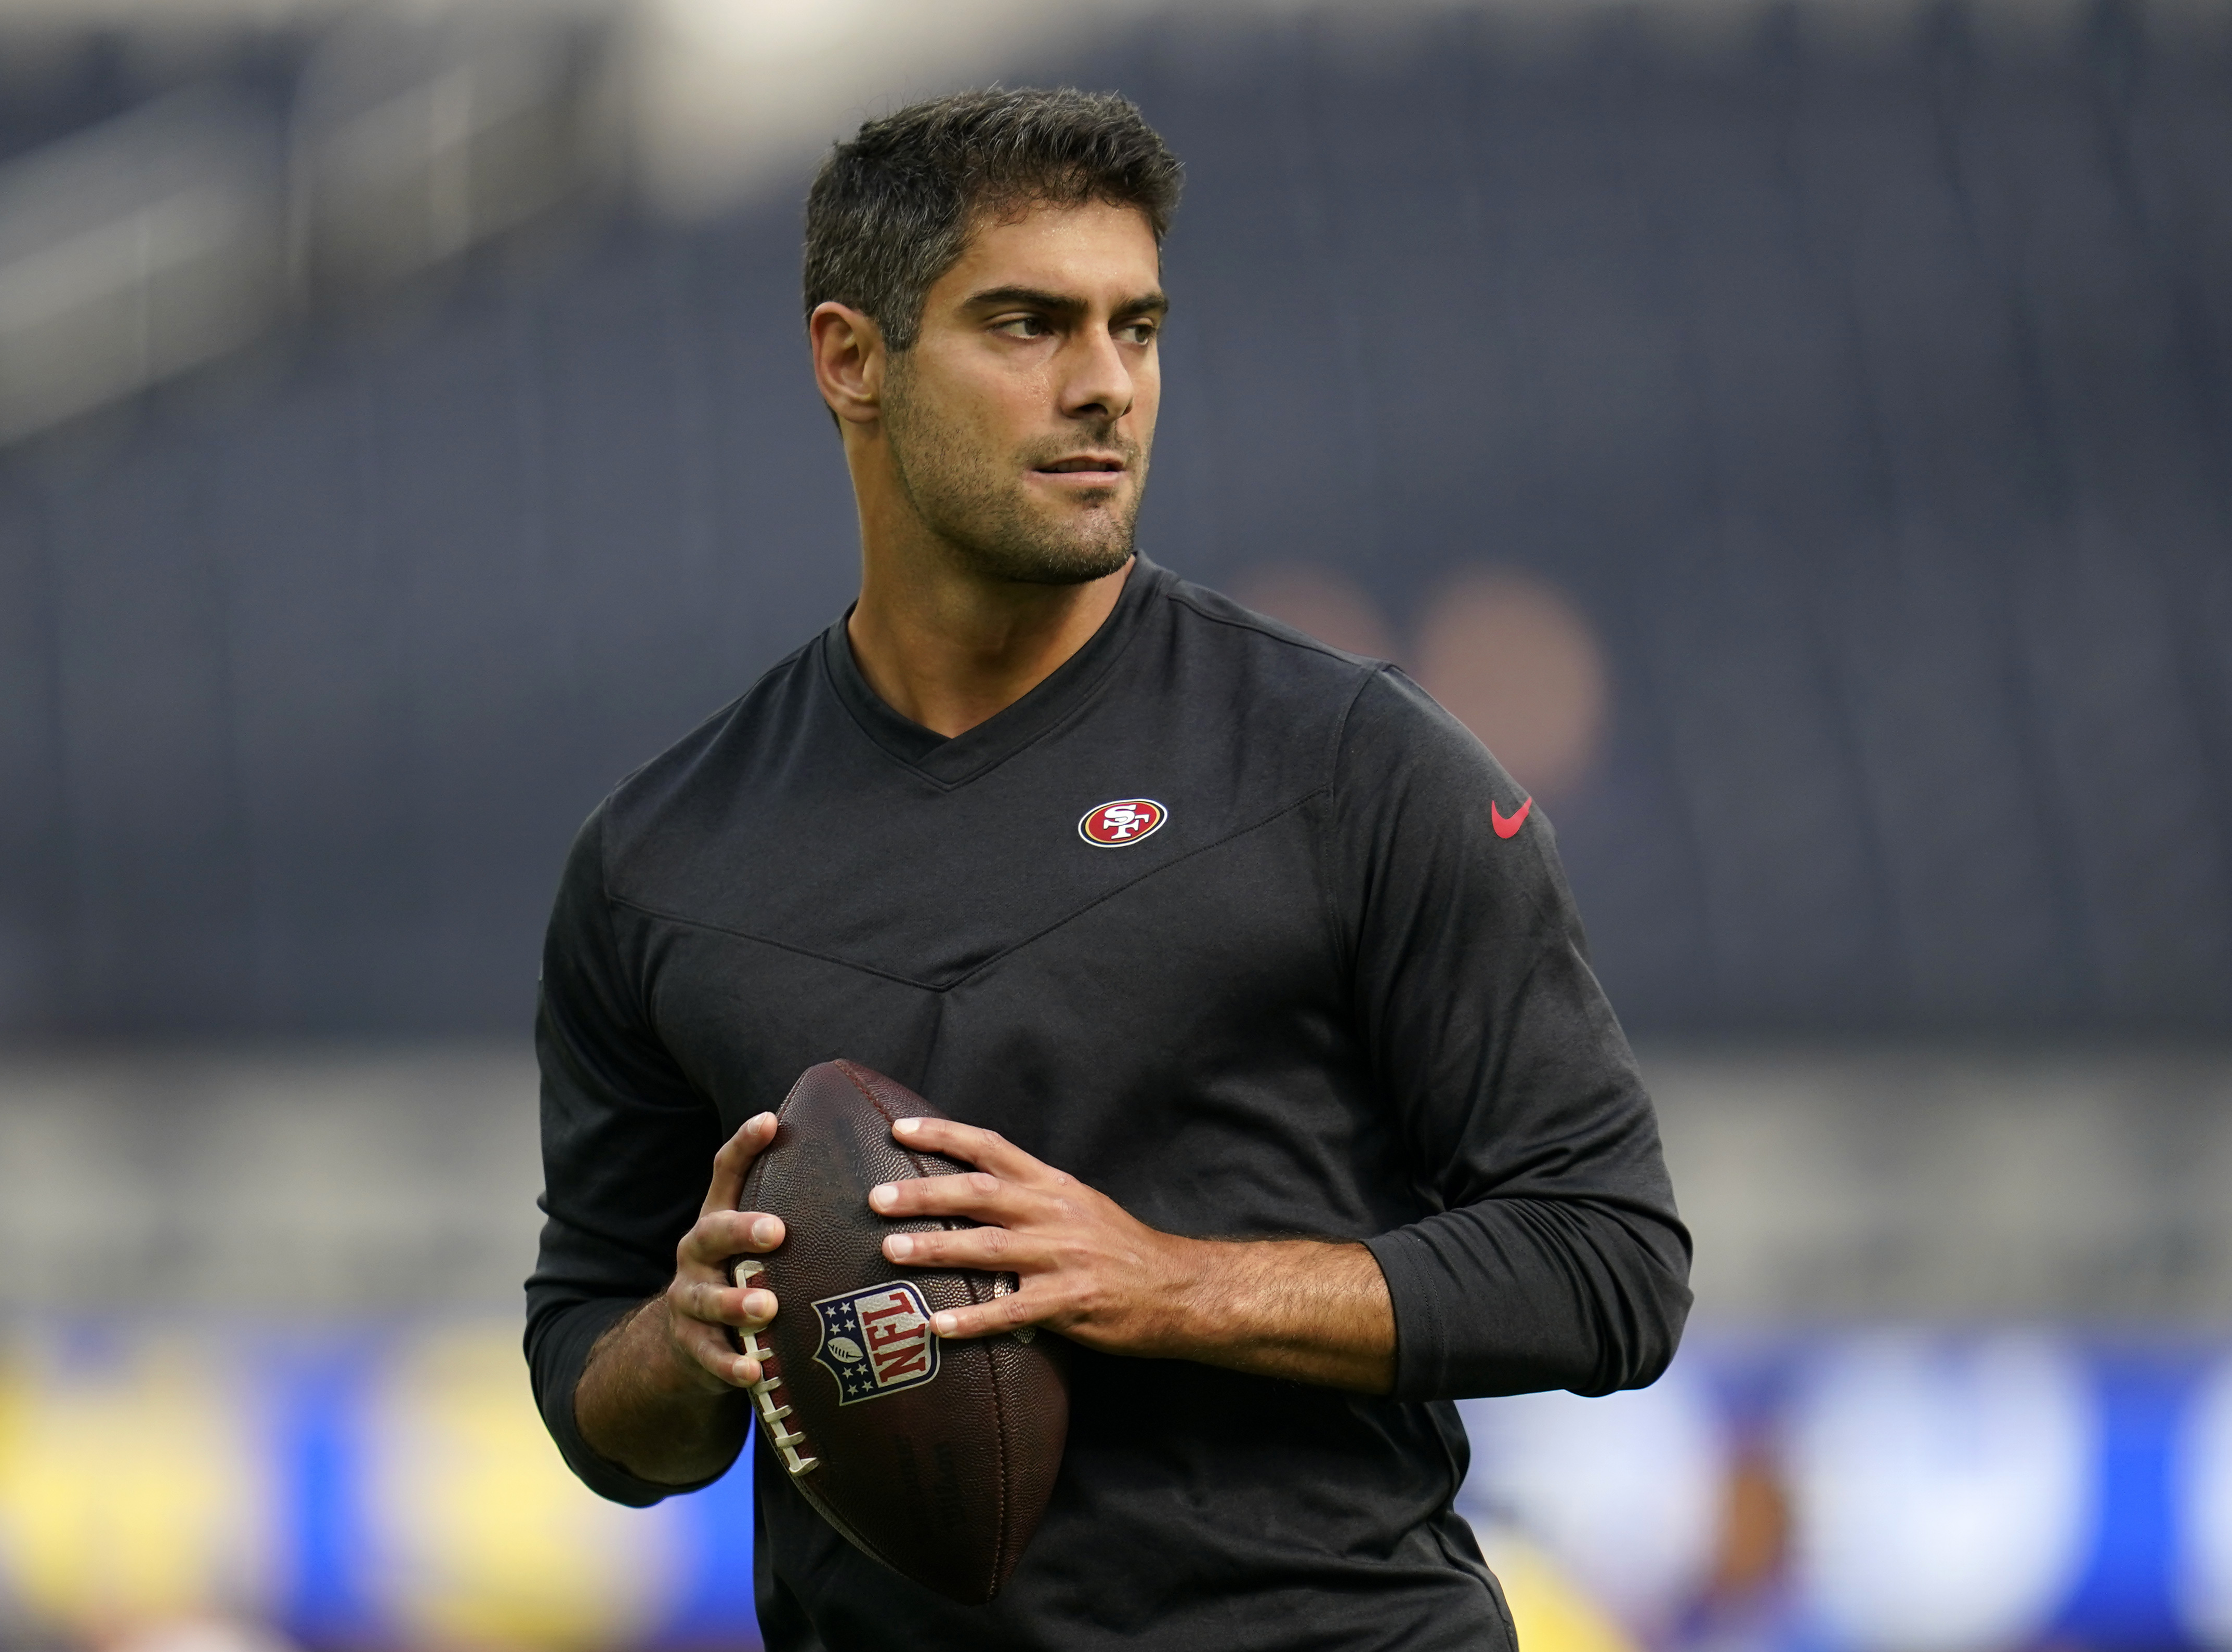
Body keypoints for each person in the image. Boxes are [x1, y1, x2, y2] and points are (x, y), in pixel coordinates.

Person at [526, 86, 1690, 1651]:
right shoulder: (663, 859)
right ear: (849, 358)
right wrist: (687, 1343)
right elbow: (599, 1388)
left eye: (1135, 328)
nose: (1105, 387)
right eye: (1027, 325)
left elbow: (1609, 1263)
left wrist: (1163, 1282)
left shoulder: (1351, 763)